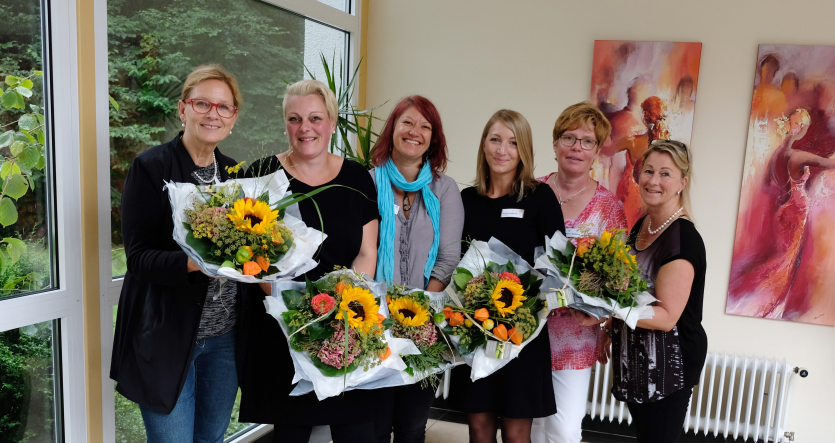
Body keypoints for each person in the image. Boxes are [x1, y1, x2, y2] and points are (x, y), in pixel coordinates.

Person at [235, 79, 380, 443]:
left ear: (331, 121)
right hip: (284, 329)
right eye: (295, 119)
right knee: (291, 433)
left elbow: (366, 252)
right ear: (285, 124)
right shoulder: (263, 175)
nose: (305, 128)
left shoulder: (357, 178)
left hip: (346, 328)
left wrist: (343, 311)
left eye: (315, 117)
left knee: (357, 432)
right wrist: (296, 315)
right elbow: (254, 257)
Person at [110, 64, 244, 442]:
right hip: (167, 336)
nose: (212, 114)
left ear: (233, 117)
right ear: (183, 109)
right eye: (203, 103)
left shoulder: (235, 174)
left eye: (223, 107)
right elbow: (137, 258)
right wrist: (194, 261)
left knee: (211, 439)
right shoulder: (150, 168)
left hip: (225, 338)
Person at [452, 109, 564, 443]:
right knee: (479, 430)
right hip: (476, 330)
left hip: (523, 333)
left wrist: (528, 305)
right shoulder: (466, 200)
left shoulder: (540, 197)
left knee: (517, 435)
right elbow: (454, 260)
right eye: (495, 139)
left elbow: (558, 264)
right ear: (484, 144)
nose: (503, 150)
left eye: (513, 143)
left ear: (524, 151)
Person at [599, 140, 707, 443]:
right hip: (638, 355)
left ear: (682, 183)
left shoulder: (683, 239)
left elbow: (666, 317)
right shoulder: (644, 225)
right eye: (648, 171)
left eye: (665, 173)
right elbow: (632, 290)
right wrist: (610, 329)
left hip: (670, 363)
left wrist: (607, 306)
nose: (653, 180)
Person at [370, 96, 465, 443]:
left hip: (427, 325)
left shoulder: (445, 189)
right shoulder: (367, 182)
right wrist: (379, 315)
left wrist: (418, 313)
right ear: (392, 128)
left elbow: (448, 257)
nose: (415, 132)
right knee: (374, 425)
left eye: (425, 126)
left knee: (412, 427)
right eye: (408, 122)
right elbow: (362, 253)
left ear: (434, 138)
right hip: (374, 324)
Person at [531, 102, 626, 443]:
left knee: (564, 428)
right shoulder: (530, 191)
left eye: (587, 141)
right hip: (524, 325)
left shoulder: (609, 207)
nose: (576, 147)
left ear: (598, 151)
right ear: (555, 143)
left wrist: (602, 317)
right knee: (525, 424)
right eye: (569, 137)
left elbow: (619, 277)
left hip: (574, 331)